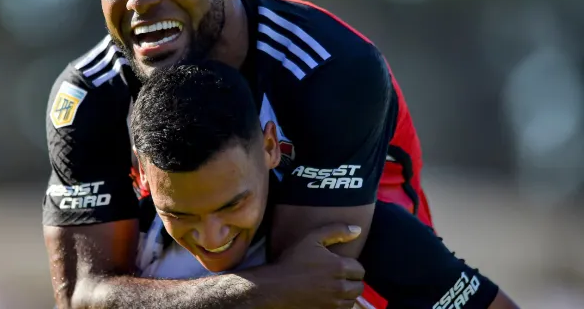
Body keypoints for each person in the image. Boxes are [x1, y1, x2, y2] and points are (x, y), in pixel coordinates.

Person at [44, 0, 424, 307]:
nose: (137, 0)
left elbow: (313, 287)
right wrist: (267, 288)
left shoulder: (330, 69)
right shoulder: (89, 96)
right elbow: (84, 296)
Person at [127, 61, 518, 309]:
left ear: (270, 147)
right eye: (180, 214)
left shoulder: (368, 239)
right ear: (142, 176)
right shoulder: (128, 247)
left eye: (232, 204)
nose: (212, 236)